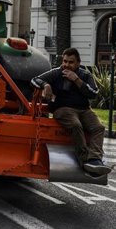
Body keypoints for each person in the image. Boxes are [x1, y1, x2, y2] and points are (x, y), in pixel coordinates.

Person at [31, 47, 111, 177]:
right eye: (65, 61)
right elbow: (34, 80)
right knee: (75, 125)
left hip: (84, 109)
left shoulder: (85, 75)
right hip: (63, 109)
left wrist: (76, 80)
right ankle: (84, 159)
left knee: (99, 127)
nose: (67, 65)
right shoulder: (56, 73)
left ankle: (95, 160)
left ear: (78, 63)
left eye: (71, 62)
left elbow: (93, 94)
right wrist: (45, 85)